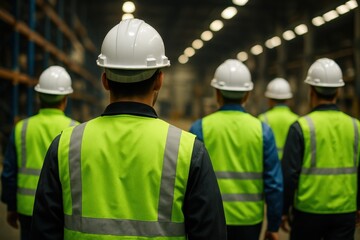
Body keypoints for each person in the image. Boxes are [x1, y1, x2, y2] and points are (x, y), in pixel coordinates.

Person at [30, 18, 227, 240]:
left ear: (104, 80)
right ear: (159, 80)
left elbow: (43, 232)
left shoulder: (65, 145)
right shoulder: (189, 151)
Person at [189, 59, 283, 240]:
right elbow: (274, 184)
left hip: (210, 219)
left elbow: (188, 182)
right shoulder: (262, 131)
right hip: (249, 220)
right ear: (247, 94)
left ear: (217, 93)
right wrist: (273, 225)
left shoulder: (200, 128)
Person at [281, 58, 360, 240]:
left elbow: (289, 175)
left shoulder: (301, 127)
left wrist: (284, 210)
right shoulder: (356, 127)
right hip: (345, 211)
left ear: (311, 91)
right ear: (338, 91)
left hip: (308, 212)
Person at [1, 65, 78, 240]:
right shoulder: (76, 130)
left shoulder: (22, 128)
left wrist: (11, 207)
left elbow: (9, 173)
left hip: (27, 209)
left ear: (39, 96)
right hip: (63, 208)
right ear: (65, 98)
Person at [258, 78, 298, 160]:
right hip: (290, 163)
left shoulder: (263, 119)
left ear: (269, 100)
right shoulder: (297, 120)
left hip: (269, 162)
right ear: (288, 100)